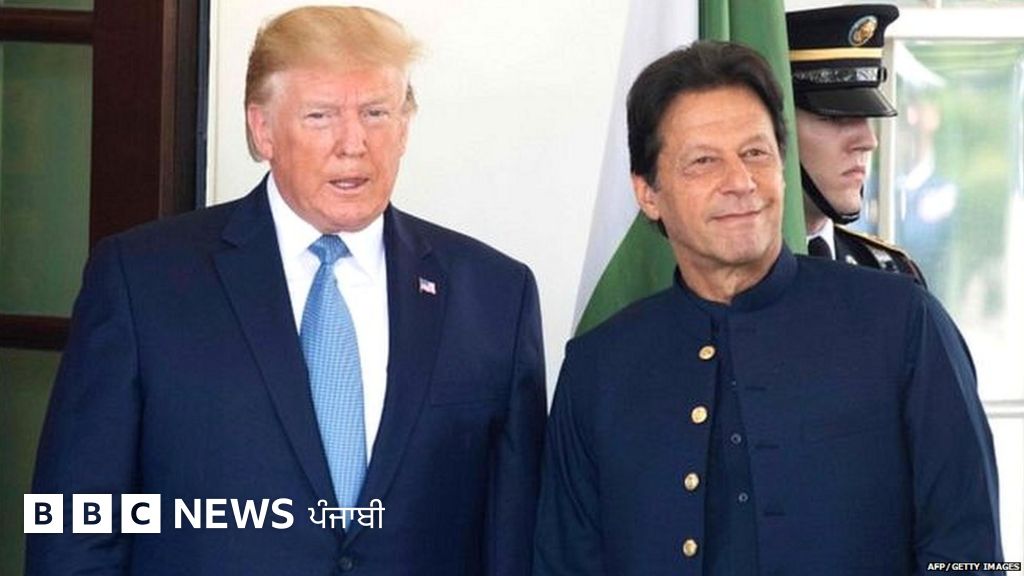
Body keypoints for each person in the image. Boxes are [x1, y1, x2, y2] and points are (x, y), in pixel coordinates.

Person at [27, 6, 545, 575]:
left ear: (404, 126)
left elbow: (513, 534)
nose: (354, 143)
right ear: (262, 129)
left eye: (376, 113)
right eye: (321, 116)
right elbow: (73, 520)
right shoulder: (142, 281)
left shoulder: (496, 295)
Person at [533, 41, 1001, 575]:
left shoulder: (902, 324)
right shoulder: (598, 368)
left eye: (756, 153)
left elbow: (970, 556)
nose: (740, 182)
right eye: (703, 161)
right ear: (648, 193)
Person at [788, 4, 927, 285]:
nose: (868, 141)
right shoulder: (722, 280)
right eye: (834, 118)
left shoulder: (889, 273)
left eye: (866, 117)